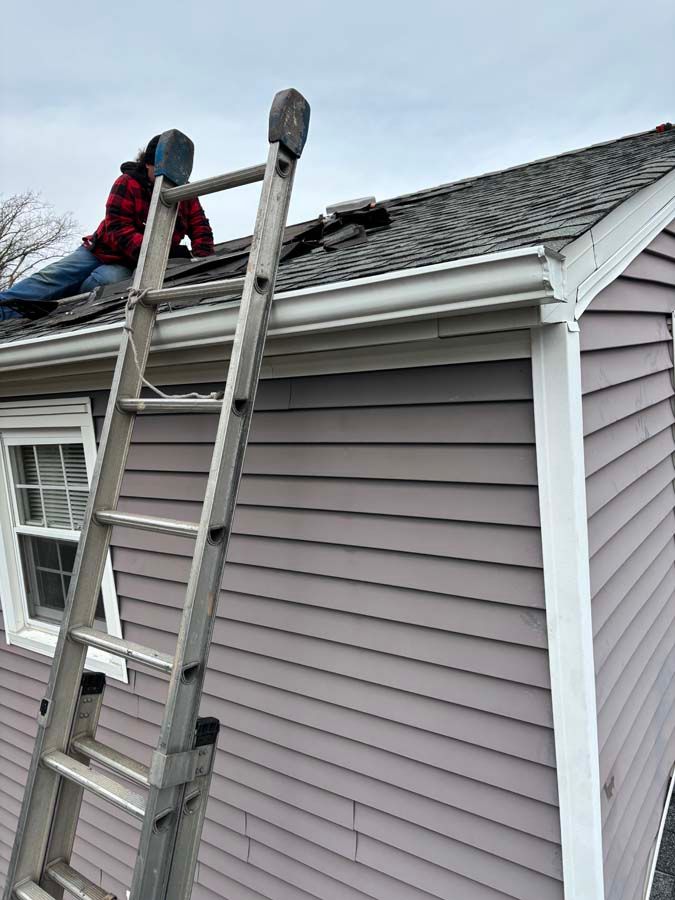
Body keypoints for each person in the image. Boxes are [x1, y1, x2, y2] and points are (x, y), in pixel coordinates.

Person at [0, 135, 215, 322]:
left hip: (131, 264)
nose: (163, 177)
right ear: (148, 164)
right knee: (50, 278)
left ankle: (64, 305)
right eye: (158, 171)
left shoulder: (184, 195)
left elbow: (200, 228)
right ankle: (4, 309)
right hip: (100, 251)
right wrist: (158, 250)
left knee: (106, 282)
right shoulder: (127, 183)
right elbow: (118, 228)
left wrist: (202, 262)